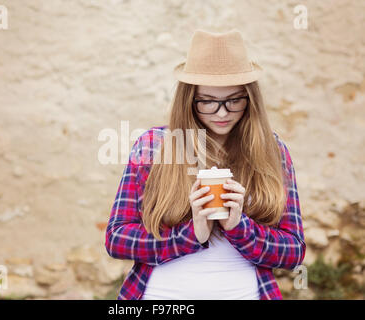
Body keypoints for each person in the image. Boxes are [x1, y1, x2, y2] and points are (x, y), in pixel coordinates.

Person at [105, 29, 306, 300]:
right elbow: (116, 239)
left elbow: (294, 251)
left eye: (234, 100)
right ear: (189, 100)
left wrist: (239, 227)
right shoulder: (153, 146)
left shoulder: (273, 150)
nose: (222, 113)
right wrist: (191, 233)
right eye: (208, 102)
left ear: (250, 99)